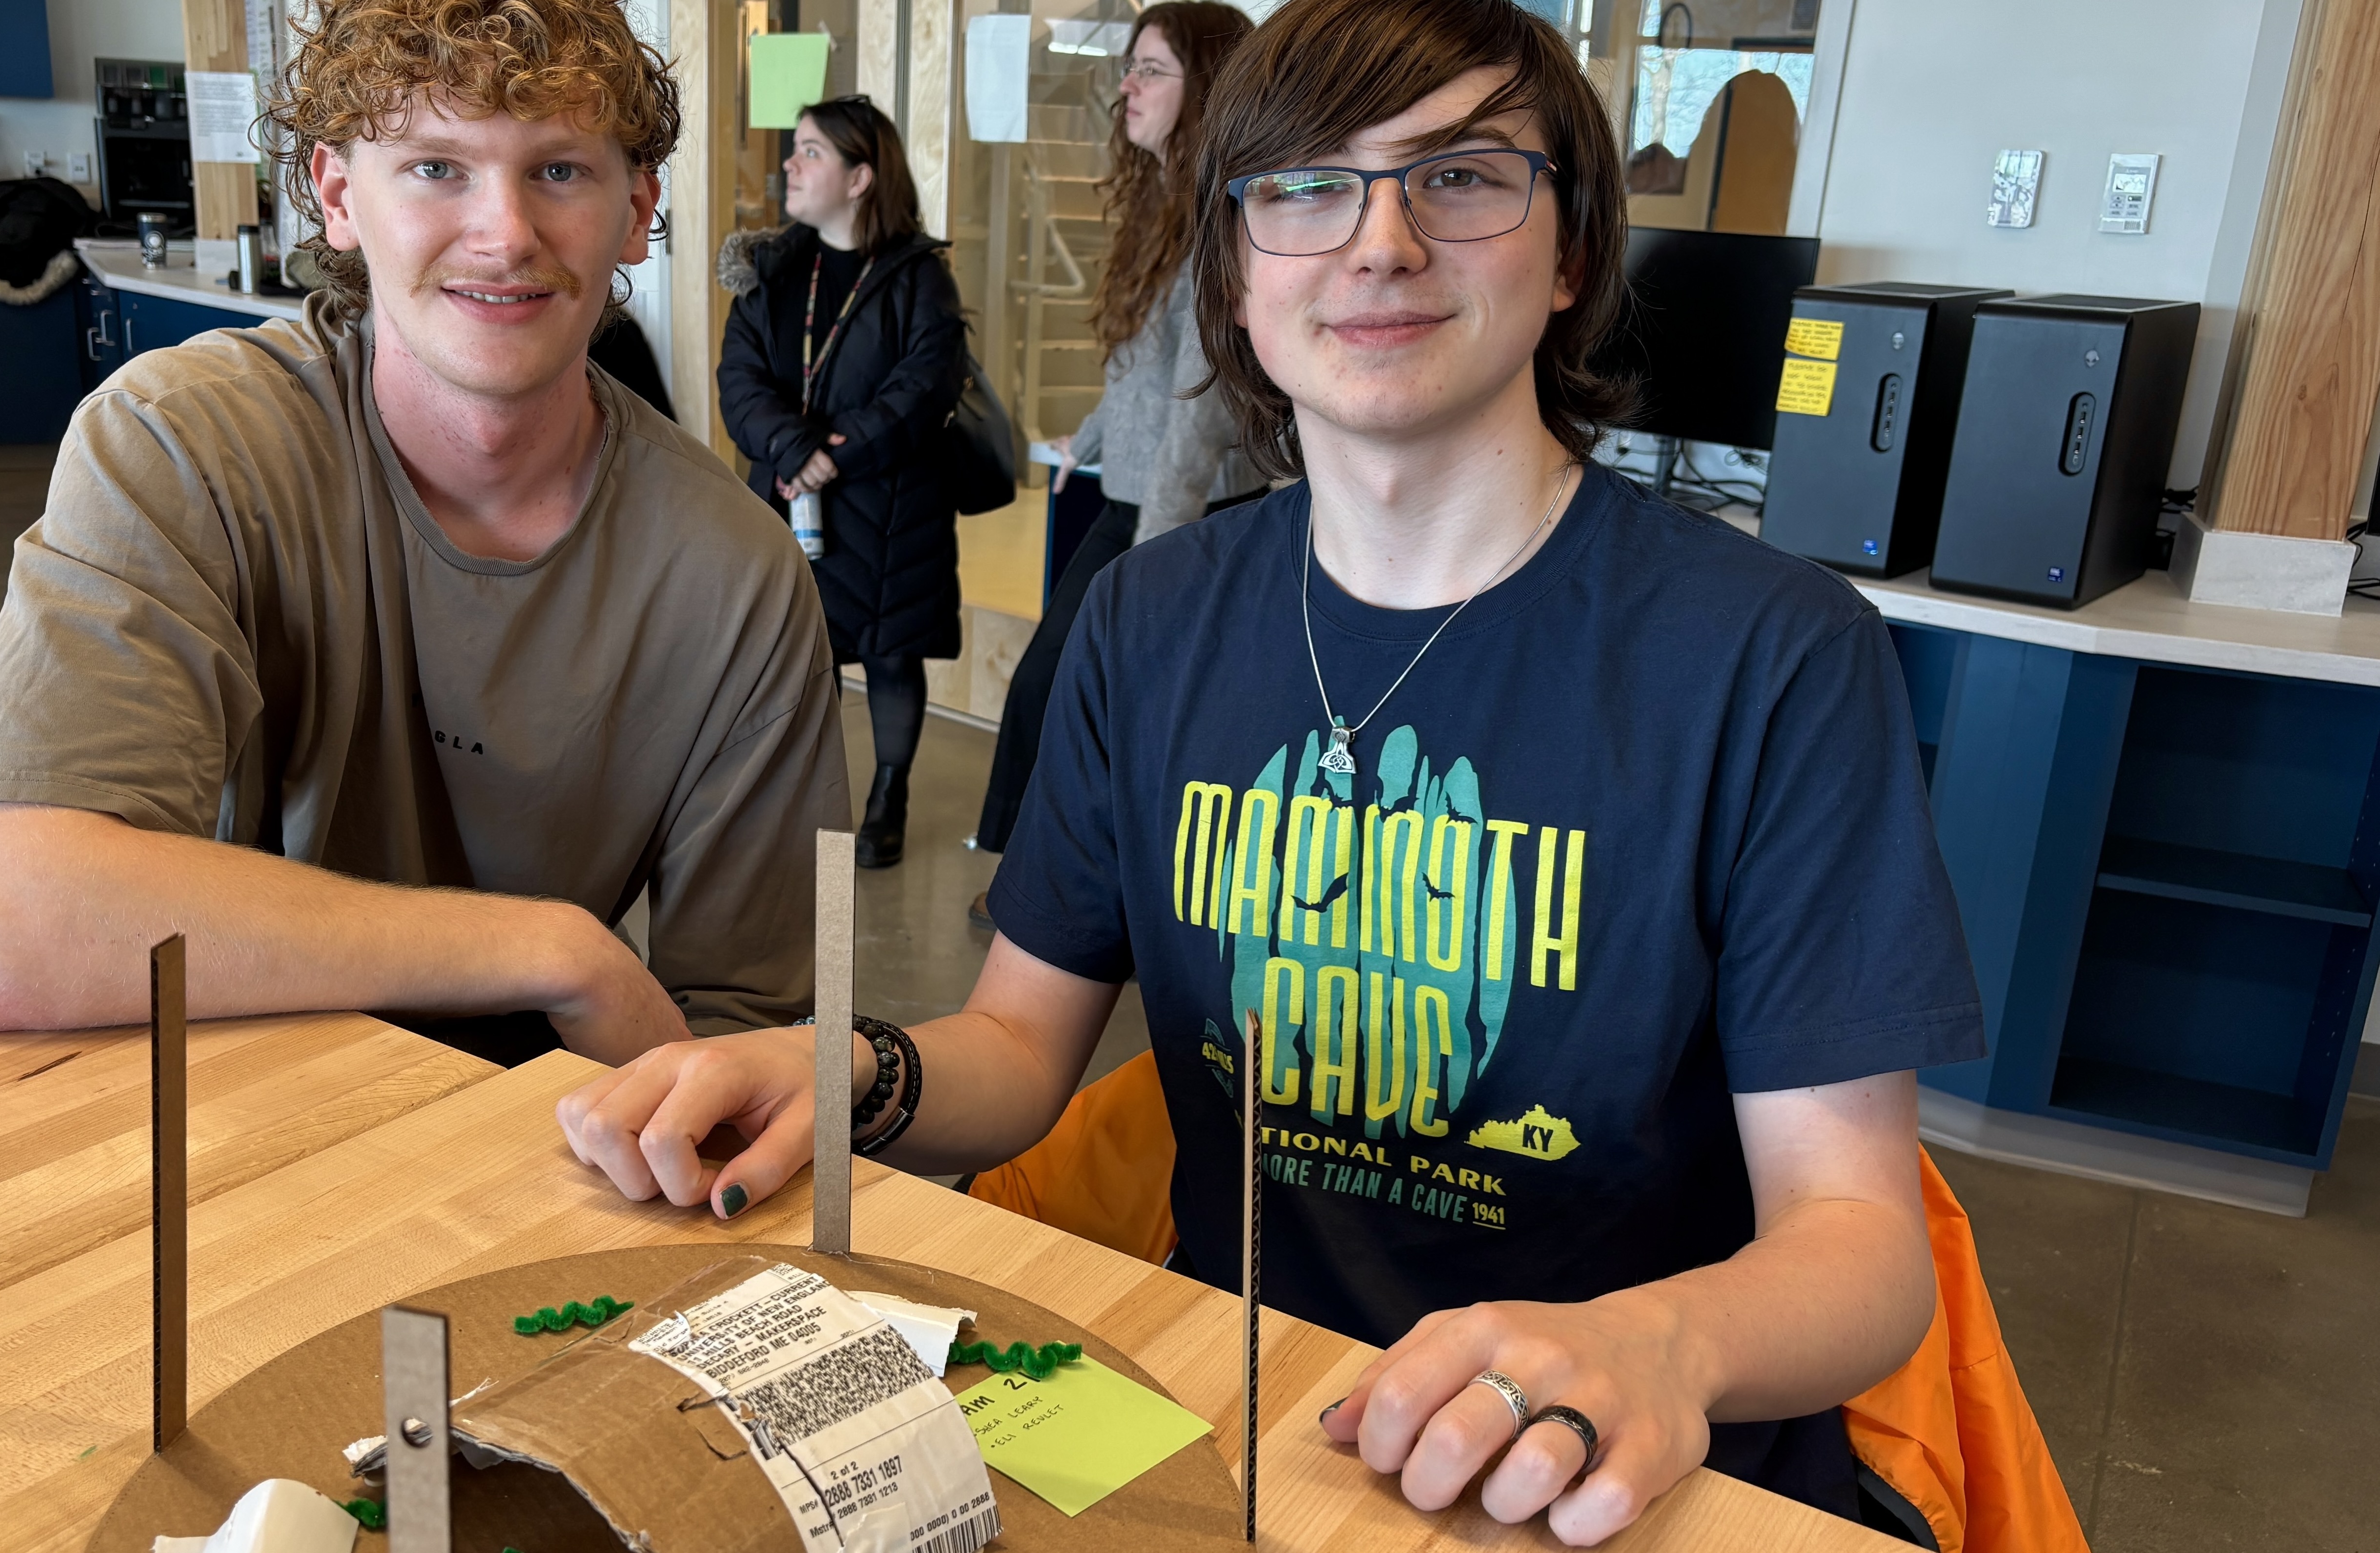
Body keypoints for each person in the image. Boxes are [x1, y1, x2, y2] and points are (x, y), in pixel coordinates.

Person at [554, 0, 1986, 1543]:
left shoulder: (1768, 656)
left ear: (1568, 255)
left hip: (1619, 1477)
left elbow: (1858, 1242)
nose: (1376, 242)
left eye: (1459, 176)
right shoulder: (1153, 619)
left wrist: (1661, 1343)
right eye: (1304, 187)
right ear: (1234, 273)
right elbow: (1019, 1052)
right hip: (1253, 1414)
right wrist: (845, 1072)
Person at [0, 0, 848, 1068]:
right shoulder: (185, 447)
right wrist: (551, 950)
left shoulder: (735, 574)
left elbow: (753, 1041)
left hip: (544, 1145)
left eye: (559, 170)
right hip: (218, 1082)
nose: (505, 234)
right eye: (436, 167)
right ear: (337, 194)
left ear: (637, 207)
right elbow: (17, 921)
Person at [968, 1, 1263, 907]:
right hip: (1138, 497)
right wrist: (1085, 445)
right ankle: (1039, 877)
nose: (1124, 87)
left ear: (1205, 86)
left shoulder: (1224, 221)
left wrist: (1158, 552)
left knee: (1080, 686)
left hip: (1192, 511)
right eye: (1128, 67)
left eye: (1151, 70)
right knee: (1068, 685)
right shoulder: (1164, 207)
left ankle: (1056, 889)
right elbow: (1140, 372)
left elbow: (1201, 405)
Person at [719, 97, 967, 870]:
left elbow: (928, 383)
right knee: (798, 655)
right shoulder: (772, 269)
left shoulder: (918, 275)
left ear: (860, 177)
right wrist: (795, 450)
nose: (789, 165)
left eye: (810, 152)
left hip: (890, 507)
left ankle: (887, 800)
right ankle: (805, 800)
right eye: (794, 150)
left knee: (892, 654)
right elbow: (740, 379)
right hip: (788, 500)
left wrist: (839, 452)